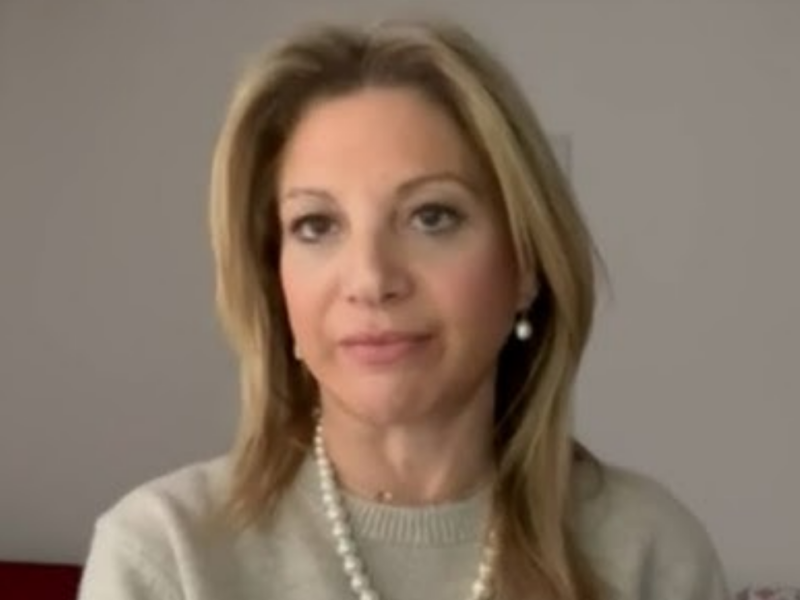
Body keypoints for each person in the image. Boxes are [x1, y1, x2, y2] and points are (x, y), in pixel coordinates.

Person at [79, 18, 730, 600]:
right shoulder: (166, 555)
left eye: (431, 216)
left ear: (526, 264)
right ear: (275, 284)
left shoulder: (648, 553)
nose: (371, 280)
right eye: (316, 225)